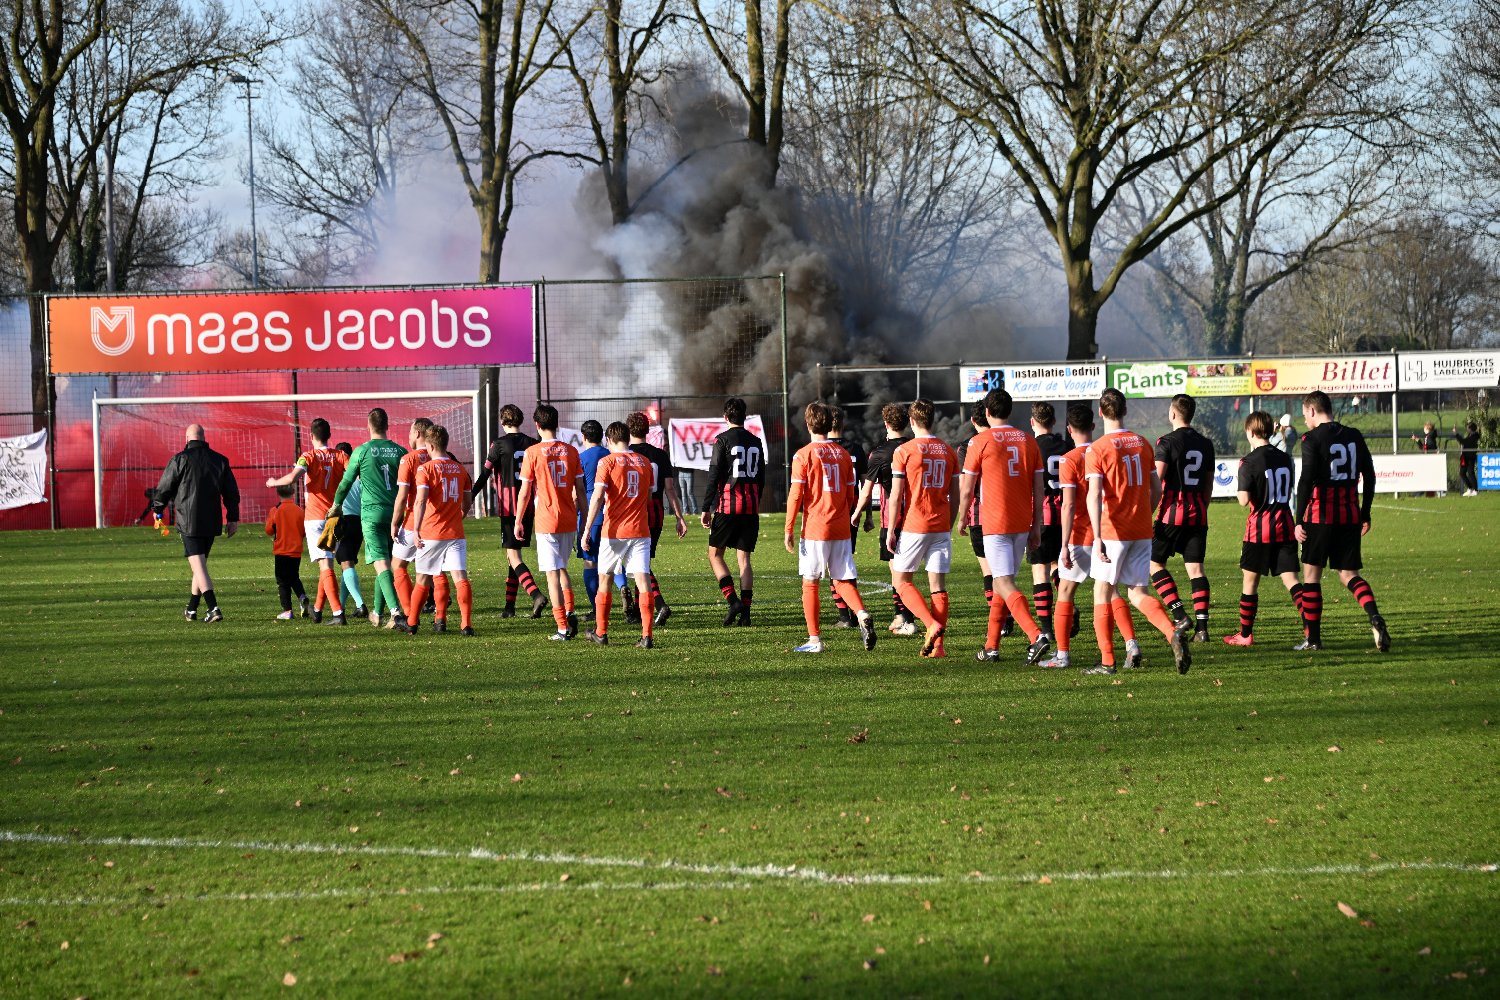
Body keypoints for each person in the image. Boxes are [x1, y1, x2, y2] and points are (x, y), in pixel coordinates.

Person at [1082, 389, 1193, 675]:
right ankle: (1171, 631)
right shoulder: (1142, 443)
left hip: (1113, 530)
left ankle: (1107, 661)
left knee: (1102, 591)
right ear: (1125, 411)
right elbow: (1156, 489)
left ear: (1100, 412)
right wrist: (1146, 514)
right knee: (1137, 592)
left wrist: (1097, 536)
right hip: (1141, 529)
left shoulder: (1098, 449)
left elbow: (1094, 495)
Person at [955, 388, 1050, 665]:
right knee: (1001, 581)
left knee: (1003, 582)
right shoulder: (1028, 440)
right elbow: (1038, 487)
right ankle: (991, 646)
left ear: (987, 412)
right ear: (1010, 411)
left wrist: (962, 517)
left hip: (995, 521)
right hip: (1022, 521)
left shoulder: (979, 442)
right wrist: (1036, 523)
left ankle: (1036, 636)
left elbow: (967, 487)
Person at [1294, 390, 1390, 652]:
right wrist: (1365, 512)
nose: (1305, 421)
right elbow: (1369, 475)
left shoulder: (1311, 438)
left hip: (1319, 515)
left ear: (1312, 411)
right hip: (1349, 516)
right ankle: (1374, 616)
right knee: (1349, 575)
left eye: (1305, 415)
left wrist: (1298, 519)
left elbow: (1306, 480)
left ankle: (1313, 639)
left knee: (1311, 577)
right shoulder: (1354, 435)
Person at [785, 402, 876, 653]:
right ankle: (862, 613)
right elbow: (851, 494)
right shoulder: (843, 454)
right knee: (842, 579)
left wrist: (788, 528)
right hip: (840, 526)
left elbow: (796, 495)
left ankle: (814, 640)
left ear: (807, 424)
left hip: (816, 527)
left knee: (810, 582)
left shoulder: (803, 455)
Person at [883, 399, 958, 657]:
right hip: (941, 525)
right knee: (938, 586)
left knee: (901, 580)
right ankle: (939, 647)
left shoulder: (904, 450)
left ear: (912, 421)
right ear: (932, 419)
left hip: (915, 524)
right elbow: (955, 495)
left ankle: (930, 624)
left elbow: (896, 496)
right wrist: (949, 523)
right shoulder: (948, 450)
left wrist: (891, 529)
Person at [1224, 412, 1304, 647]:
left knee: (1250, 582)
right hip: (1285, 525)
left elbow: (1243, 500)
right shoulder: (1284, 458)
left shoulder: (1248, 461)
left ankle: (1245, 634)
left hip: (1259, 530)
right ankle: (1311, 628)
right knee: (1292, 580)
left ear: (1250, 432)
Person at [326, 407, 408, 629]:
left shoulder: (362, 451)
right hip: (395, 514)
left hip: (372, 514)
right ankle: (378, 613)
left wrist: (336, 505)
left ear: (369, 426)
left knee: (381, 563)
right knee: (387, 562)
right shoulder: (400, 451)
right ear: (387, 425)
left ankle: (396, 613)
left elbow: (345, 483)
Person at [581, 421, 658, 648]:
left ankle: (601, 632)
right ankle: (647, 636)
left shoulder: (607, 462)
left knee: (604, 578)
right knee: (643, 580)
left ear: (609, 439)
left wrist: (587, 529)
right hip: (640, 529)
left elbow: (597, 497)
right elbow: (649, 497)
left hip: (614, 530)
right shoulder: (645, 462)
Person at [152, 423, 240, 623]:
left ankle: (213, 608)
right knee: (199, 565)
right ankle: (191, 609)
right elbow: (231, 493)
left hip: (188, 520)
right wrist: (233, 518)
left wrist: (157, 509)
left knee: (199, 567)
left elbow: (165, 487)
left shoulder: (180, 459)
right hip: (211, 521)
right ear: (204, 438)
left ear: (187, 439)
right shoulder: (220, 460)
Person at [515, 403, 587, 641]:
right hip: (568, 518)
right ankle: (570, 610)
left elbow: (525, 492)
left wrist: (518, 520)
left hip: (546, 520)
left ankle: (562, 627)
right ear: (557, 424)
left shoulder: (533, 452)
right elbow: (580, 490)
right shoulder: (571, 451)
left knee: (552, 574)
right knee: (562, 566)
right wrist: (585, 520)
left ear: (537, 425)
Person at [266, 417, 348, 624]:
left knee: (325, 565)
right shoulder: (341, 455)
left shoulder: (308, 456)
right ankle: (318, 609)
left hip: (316, 518)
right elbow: (355, 475)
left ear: (311, 436)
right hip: (335, 517)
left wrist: (274, 482)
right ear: (329, 435)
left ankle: (338, 613)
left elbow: (293, 478)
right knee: (327, 563)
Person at [1149, 393, 1216, 642]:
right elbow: (1208, 484)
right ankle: (1202, 629)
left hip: (1171, 514)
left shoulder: (1166, 442)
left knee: (1154, 564)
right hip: (1198, 514)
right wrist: (1201, 508)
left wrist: (1148, 511)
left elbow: (1157, 481)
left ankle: (1179, 614)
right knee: (1196, 570)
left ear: (1173, 413)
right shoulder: (1206, 444)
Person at [400, 425, 477, 636]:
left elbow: (420, 501)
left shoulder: (425, 469)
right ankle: (466, 625)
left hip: (431, 533)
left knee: (423, 579)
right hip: (455, 533)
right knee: (460, 576)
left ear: (431, 446)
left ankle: (412, 623)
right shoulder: (460, 469)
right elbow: (467, 500)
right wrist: (460, 515)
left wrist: (416, 529)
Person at [473, 404, 546, 618]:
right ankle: (509, 606)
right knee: (513, 554)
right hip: (528, 506)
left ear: (502, 421)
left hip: (509, 506)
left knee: (513, 555)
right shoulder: (533, 443)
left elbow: (485, 474)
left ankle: (536, 595)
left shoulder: (498, 444)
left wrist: (471, 495)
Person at [1040, 403, 1097, 670]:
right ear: (1093, 426)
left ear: (1069, 429)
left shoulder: (1069, 458)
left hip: (1079, 533)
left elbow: (1069, 504)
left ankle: (1060, 652)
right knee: (1112, 592)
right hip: (1107, 533)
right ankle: (1131, 646)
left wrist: (1063, 544)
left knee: (1063, 589)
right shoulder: (1103, 452)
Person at [851, 401, 916, 634]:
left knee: (897, 571)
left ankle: (905, 618)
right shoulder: (915, 447)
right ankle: (902, 617)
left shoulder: (879, 453)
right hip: (916, 516)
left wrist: (857, 514)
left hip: (893, 519)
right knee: (907, 572)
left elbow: (866, 491)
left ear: (886, 423)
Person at [702, 397, 765, 626]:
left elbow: (713, 475)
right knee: (744, 560)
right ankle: (746, 613)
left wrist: (706, 508)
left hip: (728, 506)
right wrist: (755, 500)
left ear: (725, 417)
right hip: (750, 507)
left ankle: (733, 601)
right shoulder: (756, 441)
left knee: (715, 555)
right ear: (744, 417)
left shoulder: (722, 440)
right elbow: (761, 477)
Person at [627, 410, 689, 626]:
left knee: (637, 562)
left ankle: (660, 603)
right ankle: (638, 609)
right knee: (642, 560)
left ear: (629, 430)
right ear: (647, 430)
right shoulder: (660, 455)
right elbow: (670, 489)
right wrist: (679, 517)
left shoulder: (626, 455)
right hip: (657, 511)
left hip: (636, 511)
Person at [389, 418, 438, 628]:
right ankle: (440, 617)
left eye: (410, 432)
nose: (409, 436)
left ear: (417, 434)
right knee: (431, 571)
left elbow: (402, 497)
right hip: (436, 522)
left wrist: (395, 522)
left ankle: (410, 613)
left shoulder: (408, 459)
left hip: (413, 521)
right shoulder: (440, 457)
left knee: (398, 565)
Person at [1029, 402, 1071, 640]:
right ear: (1054, 422)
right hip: (1065, 514)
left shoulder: (1030, 447)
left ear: (1032, 422)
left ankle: (1046, 629)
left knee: (1039, 571)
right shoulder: (1066, 446)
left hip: (1042, 514)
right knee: (1057, 564)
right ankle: (1068, 607)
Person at [827, 405, 868, 628]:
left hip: (829, 512)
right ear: (843, 423)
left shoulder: (823, 449)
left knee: (832, 565)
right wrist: (867, 515)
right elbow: (865, 485)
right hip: (852, 512)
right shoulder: (856, 449)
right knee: (845, 562)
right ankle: (853, 611)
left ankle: (845, 615)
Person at [330, 442, 368, 618]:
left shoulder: (338, 476)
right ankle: (342, 605)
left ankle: (360, 605)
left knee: (346, 564)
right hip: (359, 522)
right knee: (347, 564)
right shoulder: (361, 475)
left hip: (344, 521)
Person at [575, 420, 608, 617]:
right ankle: (623, 588)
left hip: (589, 515)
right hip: (611, 514)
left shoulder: (581, 459)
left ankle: (597, 609)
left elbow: (576, 492)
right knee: (613, 561)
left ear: (583, 437)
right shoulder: (610, 455)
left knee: (590, 562)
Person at [265, 483, 310, 620]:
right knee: (294, 577)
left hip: (281, 551)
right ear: (293, 492)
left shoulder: (275, 510)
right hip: (296, 551)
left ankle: (287, 610)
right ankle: (302, 597)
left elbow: (269, 530)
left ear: (278, 493)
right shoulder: (299, 510)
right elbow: (304, 532)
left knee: (282, 581)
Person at [1454, 420, 1481, 496]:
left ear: (1470, 429)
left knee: (1471, 473)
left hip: (1470, 457)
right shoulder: (1470, 435)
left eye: (1468, 428)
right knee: (1462, 473)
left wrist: (1456, 434)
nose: (1467, 429)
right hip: (1465, 457)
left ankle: (1475, 490)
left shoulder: (1474, 437)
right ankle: (1470, 488)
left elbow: (1463, 441)